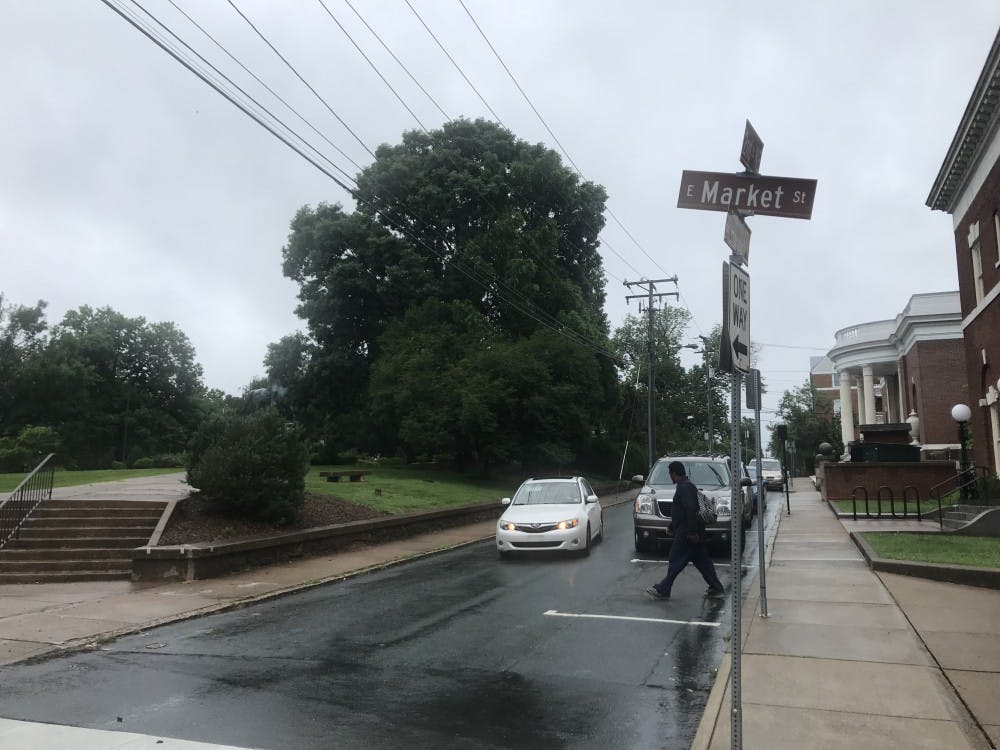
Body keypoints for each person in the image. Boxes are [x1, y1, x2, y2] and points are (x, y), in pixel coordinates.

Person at [645, 460, 725, 600]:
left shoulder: (684, 488)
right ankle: (716, 588)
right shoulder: (687, 486)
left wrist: (692, 532)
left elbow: (690, 509)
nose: (670, 476)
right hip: (691, 531)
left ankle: (663, 589)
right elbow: (681, 512)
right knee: (703, 562)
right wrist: (672, 526)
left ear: (674, 473)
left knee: (675, 560)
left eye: (670, 473)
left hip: (687, 534)